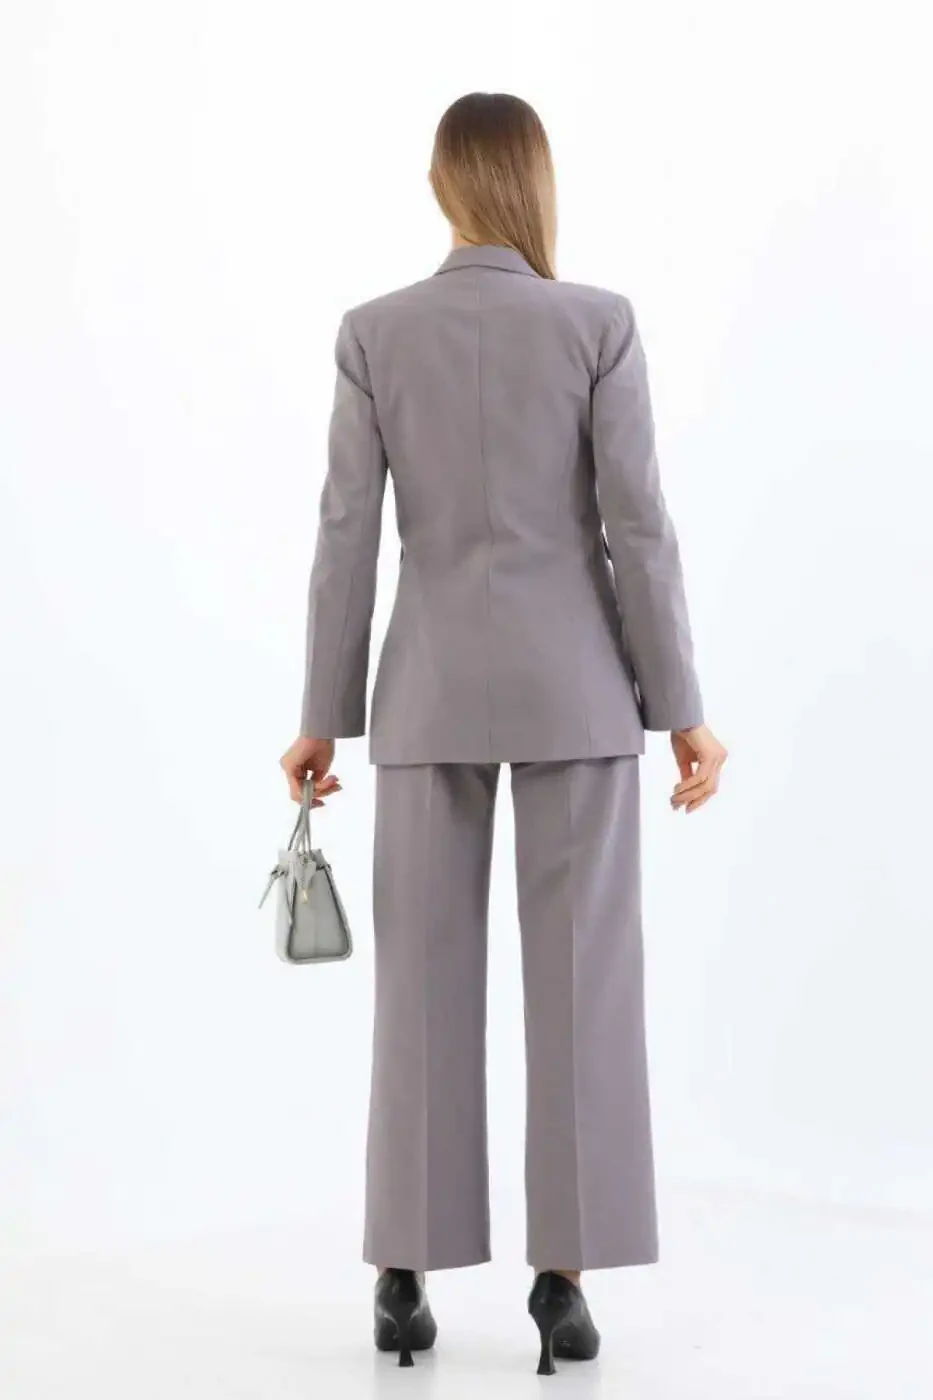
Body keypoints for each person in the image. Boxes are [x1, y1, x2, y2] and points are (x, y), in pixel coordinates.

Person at [280, 91, 727, 1377]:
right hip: (577, 689)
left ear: (442, 186)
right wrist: (682, 708)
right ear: (534, 182)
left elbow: (346, 535)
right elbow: (638, 528)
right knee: (584, 981)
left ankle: (402, 1277)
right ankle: (562, 1283)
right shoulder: (598, 324)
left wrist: (321, 717)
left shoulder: (375, 332)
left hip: (425, 693)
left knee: (420, 982)